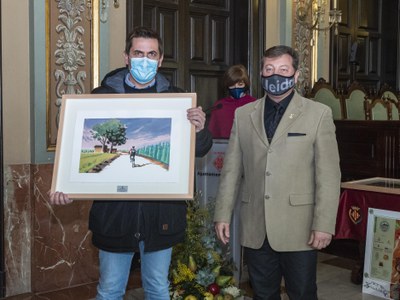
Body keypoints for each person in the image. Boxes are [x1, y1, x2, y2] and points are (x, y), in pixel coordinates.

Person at [49, 26, 212, 300]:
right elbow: (77, 152)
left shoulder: (178, 100)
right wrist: (64, 186)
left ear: (160, 60)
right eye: (138, 53)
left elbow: (202, 149)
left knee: (158, 289)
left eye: (151, 54)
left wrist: (199, 129)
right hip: (114, 217)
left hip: (162, 217)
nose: (144, 60)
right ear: (126, 56)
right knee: (110, 290)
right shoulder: (100, 98)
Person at [213, 45, 341, 300]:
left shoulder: (318, 114)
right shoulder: (243, 114)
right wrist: (222, 214)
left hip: (300, 228)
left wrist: (324, 225)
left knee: (303, 293)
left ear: (295, 76)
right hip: (256, 226)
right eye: (269, 69)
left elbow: (328, 175)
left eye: (283, 70)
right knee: (262, 293)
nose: (275, 76)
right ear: (260, 73)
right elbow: (231, 170)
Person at [207, 64, 256, 139]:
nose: (236, 88)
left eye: (240, 84)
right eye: (232, 85)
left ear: (246, 84)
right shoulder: (219, 105)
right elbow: (212, 134)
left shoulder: (255, 104)